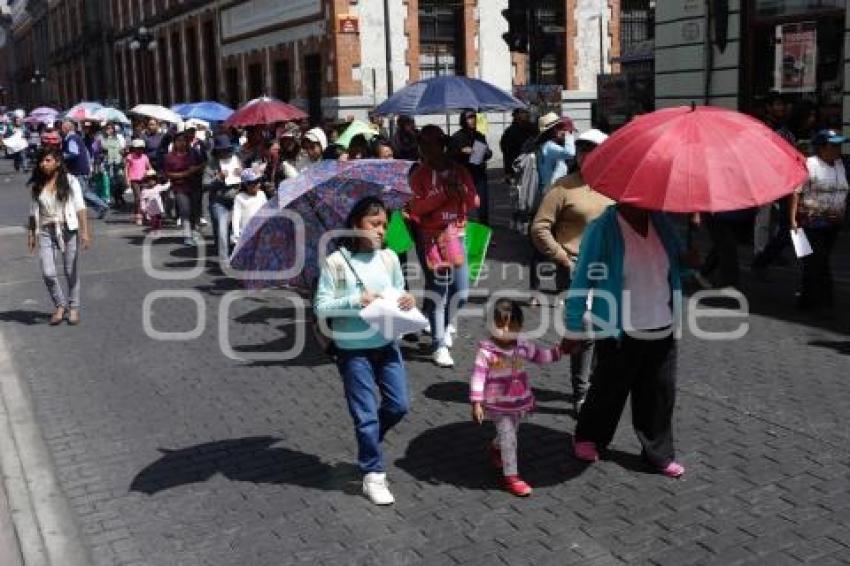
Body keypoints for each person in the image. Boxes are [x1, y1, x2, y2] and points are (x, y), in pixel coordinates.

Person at [564, 203, 694, 478]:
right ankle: (589, 437)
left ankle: (657, 452)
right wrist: (574, 326)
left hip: (662, 324)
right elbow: (582, 278)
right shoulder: (602, 229)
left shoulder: (661, 222)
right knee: (608, 389)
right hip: (619, 328)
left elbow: (673, 269)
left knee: (659, 393)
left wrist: (689, 264)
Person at [314, 197, 414, 506]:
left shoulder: (389, 258)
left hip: (387, 344)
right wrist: (354, 301)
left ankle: (368, 440)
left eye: (384, 225)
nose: (381, 230)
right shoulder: (336, 262)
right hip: (352, 350)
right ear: (357, 224)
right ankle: (373, 474)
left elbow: (398, 290)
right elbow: (320, 306)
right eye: (375, 224)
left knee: (399, 405)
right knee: (365, 416)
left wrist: (407, 300)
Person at [530, 128, 612, 413]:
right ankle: (582, 393)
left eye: (593, 149)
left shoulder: (615, 186)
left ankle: (600, 384)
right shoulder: (563, 187)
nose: (586, 154)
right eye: (582, 149)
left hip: (610, 269)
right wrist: (561, 256)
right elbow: (540, 227)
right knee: (584, 330)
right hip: (575, 267)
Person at [470, 298, 566, 496]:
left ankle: (497, 448)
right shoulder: (486, 352)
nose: (506, 331)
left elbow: (541, 356)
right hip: (497, 404)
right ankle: (511, 477)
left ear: (520, 327)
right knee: (510, 438)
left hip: (519, 401)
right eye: (500, 326)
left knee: (511, 432)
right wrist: (476, 402)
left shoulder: (522, 346)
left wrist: (560, 350)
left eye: (512, 326)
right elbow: (478, 378)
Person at [409, 125, 479, 368]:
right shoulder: (419, 174)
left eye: (433, 143)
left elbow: (473, 201)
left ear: (442, 144)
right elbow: (415, 208)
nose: (428, 149)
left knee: (461, 291)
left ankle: (444, 324)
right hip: (431, 237)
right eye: (423, 145)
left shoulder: (459, 171)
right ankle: (438, 343)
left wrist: (460, 190)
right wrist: (440, 195)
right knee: (439, 290)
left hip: (457, 234)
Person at [27, 148, 91, 326]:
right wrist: (31, 234)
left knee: (71, 271)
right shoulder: (37, 185)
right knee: (48, 272)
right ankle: (60, 305)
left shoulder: (70, 181)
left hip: (68, 230)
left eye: (47, 160)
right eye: (41, 161)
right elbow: (33, 213)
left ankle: (74, 307)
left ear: (57, 162)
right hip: (46, 231)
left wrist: (85, 231)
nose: (43, 164)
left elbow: (80, 207)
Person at [789, 129, 849, 310]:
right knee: (820, 264)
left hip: (832, 224)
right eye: (834, 145)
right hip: (811, 223)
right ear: (822, 148)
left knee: (813, 263)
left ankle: (805, 301)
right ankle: (825, 305)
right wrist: (792, 221)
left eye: (839, 145)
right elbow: (796, 192)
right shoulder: (809, 164)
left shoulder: (840, 164)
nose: (838, 149)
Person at [527, 114, 578, 302]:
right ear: (550, 131)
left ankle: (535, 291)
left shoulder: (541, 147)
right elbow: (571, 153)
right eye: (558, 128)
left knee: (539, 247)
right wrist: (570, 136)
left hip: (544, 199)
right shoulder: (550, 147)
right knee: (557, 244)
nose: (561, 131)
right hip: (552, 201)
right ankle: (561, 290)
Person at [753, 92, 797, 272]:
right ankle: (760, 251)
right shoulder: (764, 125)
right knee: (763, 217)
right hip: (764, 176)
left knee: (781, 218)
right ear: (769, 107)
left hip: (782, 176)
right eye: (776, 104)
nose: (780, 108)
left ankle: (771, 251)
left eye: (782, 105)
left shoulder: (784, 126)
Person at [204, 134, 243, 263]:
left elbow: (249, 179)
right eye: (222, 150)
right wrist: (218, 178)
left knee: (237, 228)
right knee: (221, 228)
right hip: (218, 201)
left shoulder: (236, 160)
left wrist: (242, 174)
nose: (225, 152)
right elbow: (205, 184)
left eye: (227, 149)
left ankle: (238, 256)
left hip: (236, 200)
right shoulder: (211, 164)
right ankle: (224, 260)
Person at [61, 119, 109, 219]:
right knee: (80, 192)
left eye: (62, 127)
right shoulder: (74, 138)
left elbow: (73, 153)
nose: (61, 129)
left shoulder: (72, 139)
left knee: (83, 192)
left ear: (67, 128)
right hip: (79, 169)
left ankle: (102, 205)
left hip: (78, 169)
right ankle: (99, 207)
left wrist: (61, 156)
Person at [450, 110, 491, 224]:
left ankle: (484, 230)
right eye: (469, 117)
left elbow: (488, 152)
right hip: (463, 175)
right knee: (462, 204)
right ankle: (460, 228)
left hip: (479, 174)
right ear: (463, 120)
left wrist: (485, 152)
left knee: (482, 204)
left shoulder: (479, 135)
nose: (472, 120)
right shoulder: (457, 136)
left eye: (474, 117)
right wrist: (461, 151)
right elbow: (450, 155)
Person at [164, 130, 205, 246]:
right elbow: (167, 173)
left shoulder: (194, 152)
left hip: (195, 185)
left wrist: (194, 169)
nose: (182, 143)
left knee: (194, 211)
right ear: (174, 142)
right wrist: (184, 174)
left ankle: (194, 231)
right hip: (180, 187)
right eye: (179, 141)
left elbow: (203, 164)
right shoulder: (169, 157)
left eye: (184, 140)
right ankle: (187, 235)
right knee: (184, 211)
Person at [231, 169, 269, 248]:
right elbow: (236, 217)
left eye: (257, 182)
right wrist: (236, 233)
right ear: (246, 184)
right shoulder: (240, 198)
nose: (256, 185)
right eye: (252, 183)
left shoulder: (261, 194)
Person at [499, 109, 536, 182]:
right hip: (517, 168)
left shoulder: (533, 128)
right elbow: (507, 153)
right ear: (516, 115)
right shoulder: (510, 132)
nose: (526, 114)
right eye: (523, 112)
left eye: (526, 112)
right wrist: (508, 172)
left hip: (533, 166)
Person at [98, 122, 127, 210]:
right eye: (108, 128)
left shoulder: (118, 137)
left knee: (120, 181)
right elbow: (104, 147)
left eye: (111, 128)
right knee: (111, 181)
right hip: (108, 162)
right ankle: (116, 198)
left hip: (118, 161)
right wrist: (109, 139)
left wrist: (121, 151)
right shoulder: (103, 138)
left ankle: (119, 196)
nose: (109, 130)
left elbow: (121, 147)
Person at [125, 139, 152, 226]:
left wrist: (151, 175)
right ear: (133, 148)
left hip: (144, 179)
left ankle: (146, 215)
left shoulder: (145, 157)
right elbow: (126, 169)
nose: (139, 150)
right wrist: (127, 179)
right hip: (134, 180)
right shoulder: (130, 157)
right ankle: (138, 215)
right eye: (137, 148)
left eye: (141, 148)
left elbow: (149, 167)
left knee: (145, 197)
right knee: (138, 198)